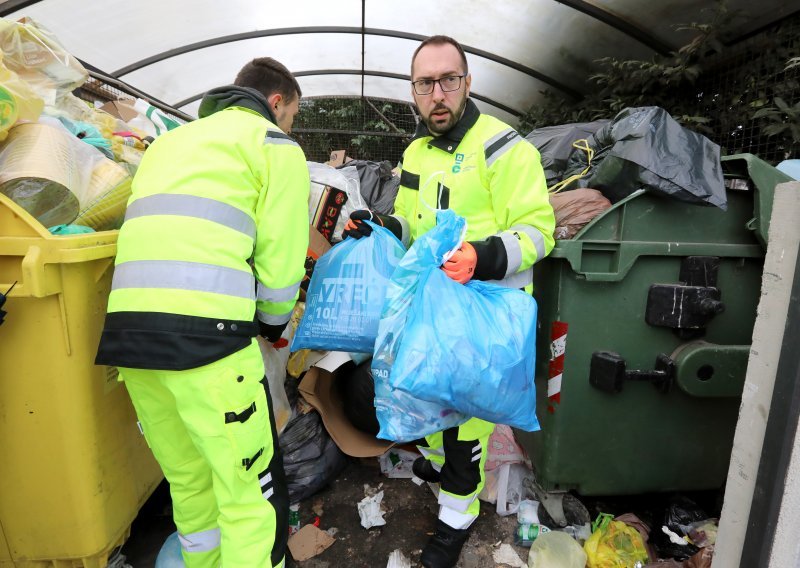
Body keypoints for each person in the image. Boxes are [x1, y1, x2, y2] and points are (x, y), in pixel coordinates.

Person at [343, 35, 555, 568]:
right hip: (433, 313)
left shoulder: (505, 148)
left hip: (482, 322)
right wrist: (382, 224)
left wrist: (481, 257)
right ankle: (440, 472)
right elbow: (414, 223)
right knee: (427, 407)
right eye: (425, 84)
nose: (437, 94)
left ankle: (454, 526)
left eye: (447, 80)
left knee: (466, 434)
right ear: (413, 91)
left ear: (467, 83)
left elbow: (538, 232)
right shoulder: (415, 152)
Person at [95, 57, 309, 568]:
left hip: (130, 340)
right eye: (292, 115)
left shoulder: (168, 143)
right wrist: (273, 326)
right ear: (275, 102)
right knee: (249, 496)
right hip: (207, 346)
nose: (289, 126)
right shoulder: (274, 146)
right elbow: (280, 270)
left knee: (190, 482)